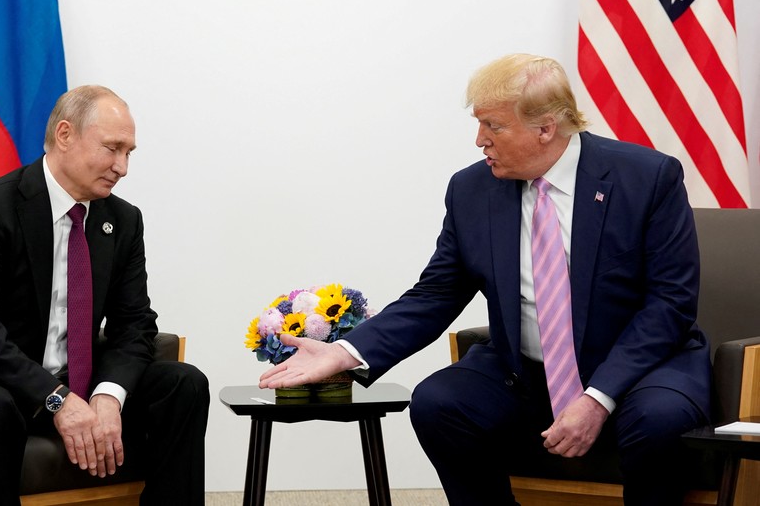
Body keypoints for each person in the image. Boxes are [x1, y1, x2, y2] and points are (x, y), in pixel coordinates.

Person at [260, 54, 711, 505]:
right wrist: (344, 352)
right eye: (479, 124)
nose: (480, 140)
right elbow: (436, 293)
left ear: (545, 128)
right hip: (527, 373)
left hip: (641, 370)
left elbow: (669, 304)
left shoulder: (647, 178)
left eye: (493, 126)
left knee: (660, 419)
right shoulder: (472, 190)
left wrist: (597, 397)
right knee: (439, 403)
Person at [0, 85, 209, 505]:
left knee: (184, 384)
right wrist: (56, 399)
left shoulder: (123, 220)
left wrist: (108, 395)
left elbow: (135, 324)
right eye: (112, 148)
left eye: (129, 153)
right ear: (65, 135)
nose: (122, 167)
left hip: (79, 383)